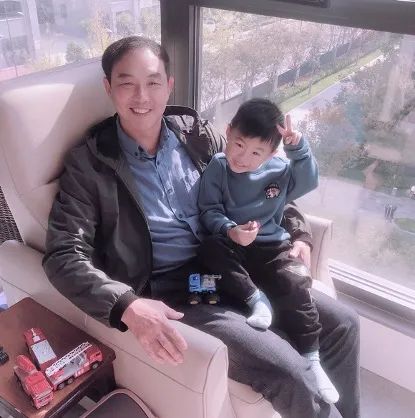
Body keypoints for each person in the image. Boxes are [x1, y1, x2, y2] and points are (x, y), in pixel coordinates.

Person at [43, 36, 360, 418]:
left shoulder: (195, 133)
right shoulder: (90, 164)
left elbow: (258, 181)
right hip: (187, 284)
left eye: (153, 82)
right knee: (293, 374)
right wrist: (126, 304)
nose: (142, 96)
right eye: (127, 83)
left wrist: (298, 232)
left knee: (343, 324)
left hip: (239, 261)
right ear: (109, 88)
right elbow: (63, 255)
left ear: (169, 85)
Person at [197, 98, 338, 404]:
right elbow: (208, 211)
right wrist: (230, 230)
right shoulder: (218, 167)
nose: (242, 157)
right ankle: (255, 299)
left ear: (272, 153)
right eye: (238, 144)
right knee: (209, 248)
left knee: (296, 285)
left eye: (256, 152)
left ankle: (312, 359)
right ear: (228, 132)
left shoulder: (280, 170)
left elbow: (309, 181)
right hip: (235, 244)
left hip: (272, 247)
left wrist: (298, 149)